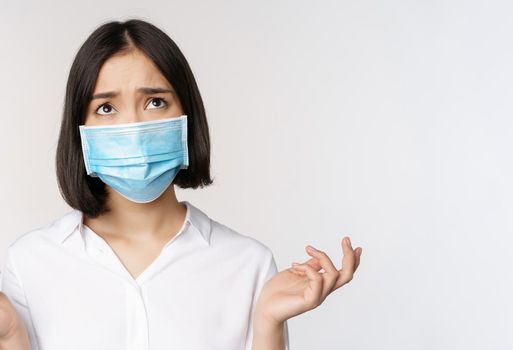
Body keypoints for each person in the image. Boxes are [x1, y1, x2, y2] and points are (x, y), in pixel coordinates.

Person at [0, 19, 362, 350]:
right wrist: (11, 335)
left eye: (155, 102)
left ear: (187, 116)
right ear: (80, 130)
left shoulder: (248, 264)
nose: (134, 128)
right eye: (106, 108)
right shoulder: (29, 262)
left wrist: (267, 323)